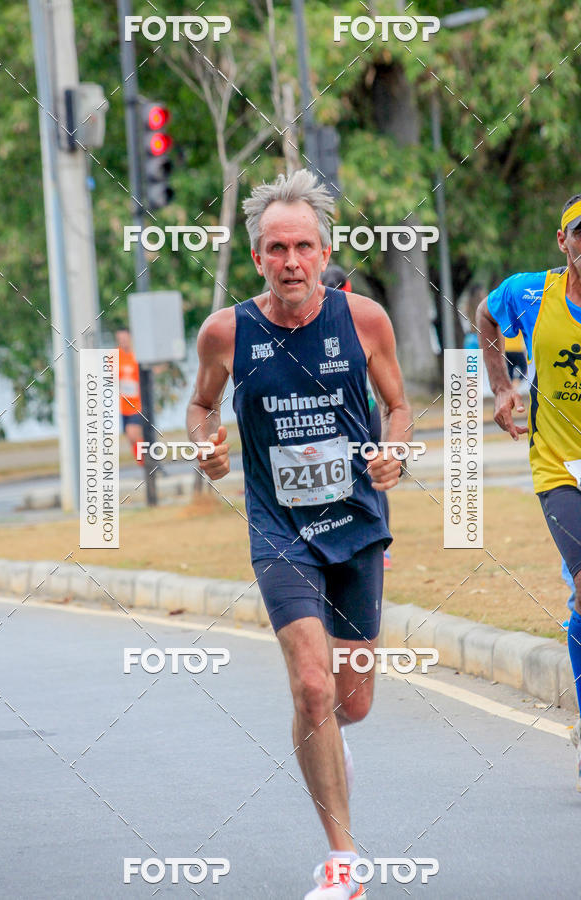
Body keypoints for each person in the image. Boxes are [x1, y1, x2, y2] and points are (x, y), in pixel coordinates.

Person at [187, 169, 412, 898]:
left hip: (356, 527)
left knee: (352, 706)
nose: (290, 261)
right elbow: (200, 405)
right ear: (257, 257)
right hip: (281, 531)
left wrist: (394, 454)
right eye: (276, 248)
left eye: (304, 247)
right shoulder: (227, 331)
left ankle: (331, 745)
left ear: (323, 252)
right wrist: (207, 447)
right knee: (312, 688)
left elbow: (399, 407)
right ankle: (344, 862)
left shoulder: (365, 320)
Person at [477, 193, 581, 790]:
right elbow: (487, 317)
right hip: (560, 469)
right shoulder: (530, 294)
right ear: (562, 242)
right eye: (580, 231)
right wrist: (501, 387)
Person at [320, 264, 392, 570]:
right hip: (366, 410)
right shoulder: (359, 315)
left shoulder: (346, 318)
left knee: (365, 475)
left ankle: (378, 547)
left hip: (360, 411)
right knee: (367, 475)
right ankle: (379, 548)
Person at [116, 328, 144, 466]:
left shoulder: (137, 354)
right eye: (120, 339)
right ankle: (144, 464)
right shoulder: (115, 356)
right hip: (124, 406)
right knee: (131, 438)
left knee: (133, 433)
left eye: (125, 339)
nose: (123, 342)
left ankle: (147, 464)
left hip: (137, 405)